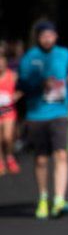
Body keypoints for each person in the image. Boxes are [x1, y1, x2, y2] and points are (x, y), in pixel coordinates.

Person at [17, 21, 68, 219]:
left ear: (56, 36)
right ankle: (43, 197)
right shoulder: (29, 57)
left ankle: (59, 199)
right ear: (38, 37)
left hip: (59, 111)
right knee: (41, 159)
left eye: (51, 35)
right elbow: (21, 84)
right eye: (43, 35)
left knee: (61, 154)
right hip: (37, 113)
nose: (47, 39)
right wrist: (40, 83)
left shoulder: (64, 54)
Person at [0, 45, 20, 175]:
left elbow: (23, 88)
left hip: (8, 109)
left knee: (7, 137)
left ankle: (10, 156)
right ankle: (1, 161)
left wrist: (15, 96)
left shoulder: (12, 76)